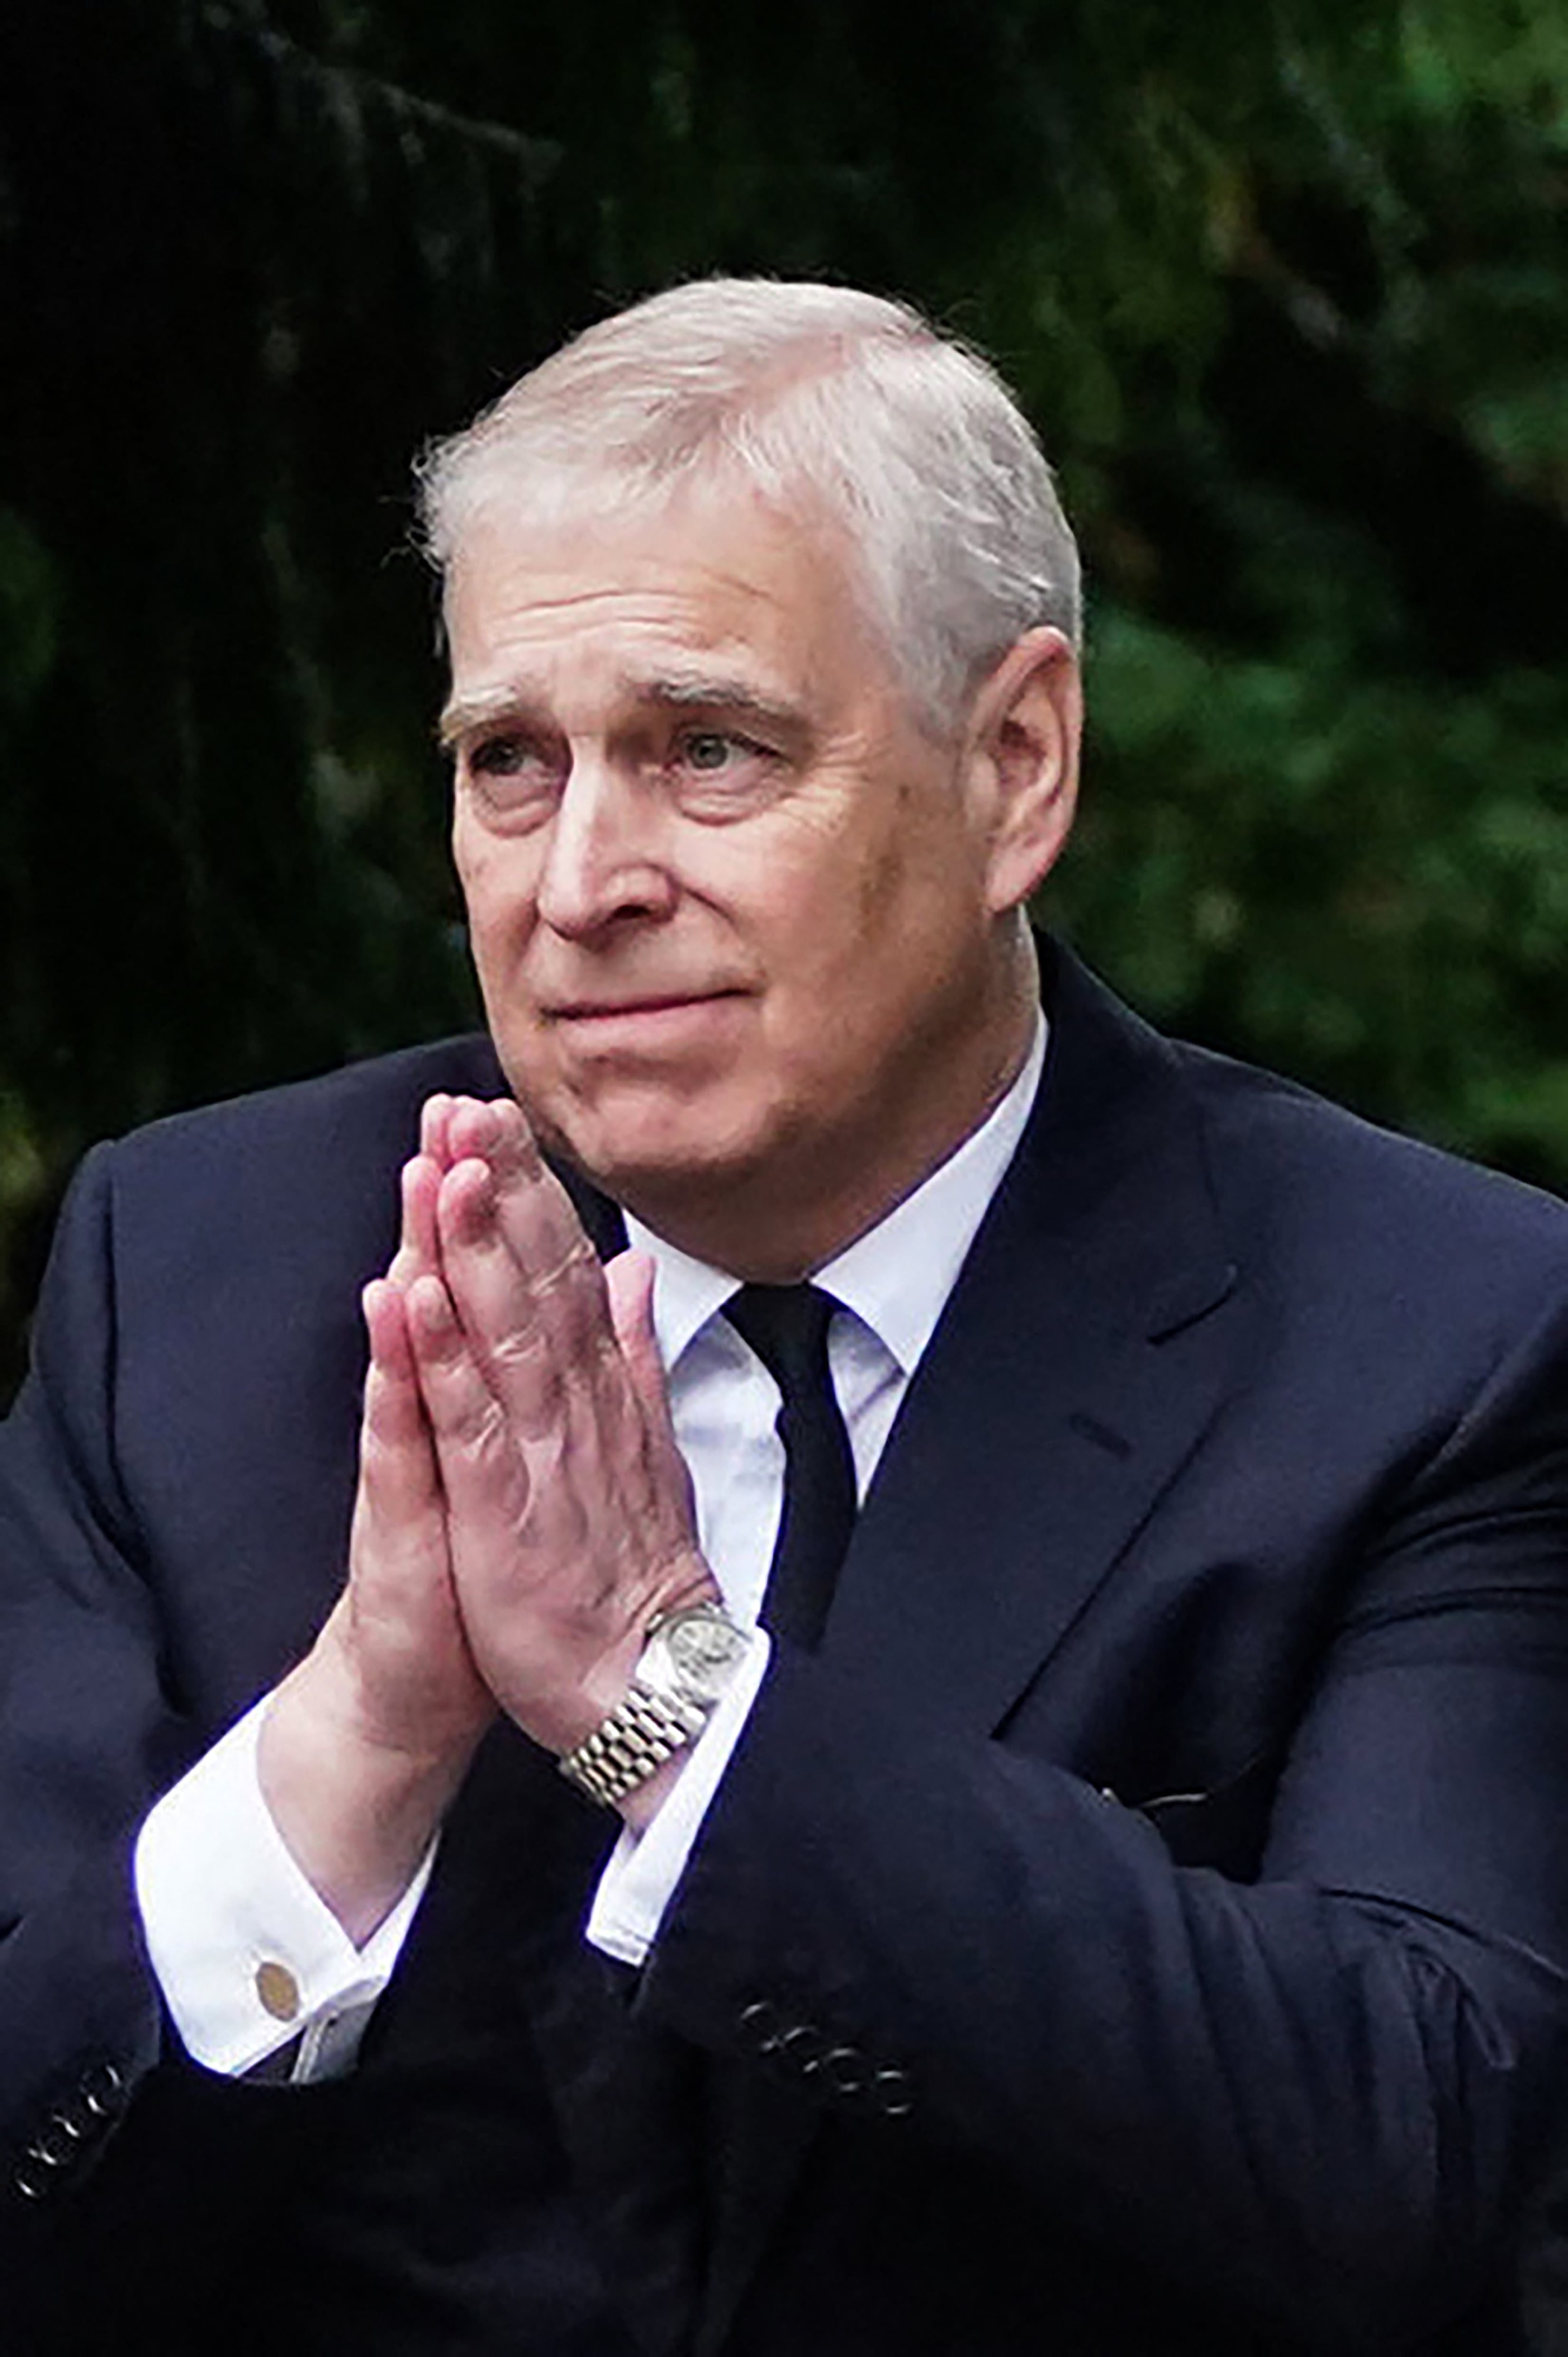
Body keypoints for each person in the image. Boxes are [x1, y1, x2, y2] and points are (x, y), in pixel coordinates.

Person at [3, 278, 1568, 2357]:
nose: (580, 881)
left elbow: (1420, 2159)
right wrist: (353, 1746)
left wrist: (679, 1715)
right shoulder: (196, 1276)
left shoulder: (1439, 1333)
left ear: (1016, 764)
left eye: (705, 748)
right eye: (507, 763)